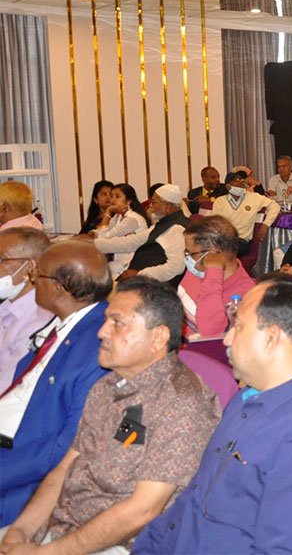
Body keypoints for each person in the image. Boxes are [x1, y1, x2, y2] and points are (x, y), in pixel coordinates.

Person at [133, 275, 292, 554]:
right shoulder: (249, 398)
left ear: (271, 338)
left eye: (238, 326)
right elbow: (191, 503)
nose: (227, 338)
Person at [0, 277, 220, 553]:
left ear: (158, 338)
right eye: (106, 320)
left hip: (119, 545)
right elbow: (65, 468)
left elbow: (142, 511)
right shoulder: (107, 385)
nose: (102, 332)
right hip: (60, 528)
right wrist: (19, 532)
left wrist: (46, 552)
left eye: (118, 323)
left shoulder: (181, 404)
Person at [0, 241, 110, 527]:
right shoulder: (64, 325)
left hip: (20, 466)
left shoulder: (99, 345)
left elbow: (67, 444)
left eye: (38, 275)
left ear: (60, 287)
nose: (32, 281)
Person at [94, 184, 190, 286]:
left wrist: (140, 274)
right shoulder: (164, 224)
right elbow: (130, 242)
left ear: (167, 207)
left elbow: (176, 267)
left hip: (153, 287)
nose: (150, 206)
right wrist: (91, 244)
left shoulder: (177, 228)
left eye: (154, 202)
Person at [178, 216, 255, 338]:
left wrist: (213, 274)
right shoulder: (196, 272)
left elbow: (210, 334)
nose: (187, 258)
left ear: (212, 255)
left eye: (190, 253)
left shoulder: (245, 296)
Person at [0, 228, 53, 393]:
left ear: (30, 267)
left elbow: (8, 388)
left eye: (1, 259)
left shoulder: (39, 322)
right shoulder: (7, 306)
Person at [89, 183, 152, 278]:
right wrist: (93, 233)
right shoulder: (117, 217)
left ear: (128, 201)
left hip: (131, 265)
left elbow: (105, 238)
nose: (112, 200)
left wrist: (108, 211)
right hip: (120, 263)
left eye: (117, 196)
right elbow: (103, 232)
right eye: (112, 196)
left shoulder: (132, 219)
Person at [212, 171, 279, 255]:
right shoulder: (220, 201)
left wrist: (265, 225)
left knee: (222, 249)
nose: (241, 182)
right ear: (228, 186)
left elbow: (275, 206)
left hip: (241, 241)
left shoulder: (254, 197)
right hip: (223, 239)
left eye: (242, 180)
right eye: (237, 180)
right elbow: (215, 223)